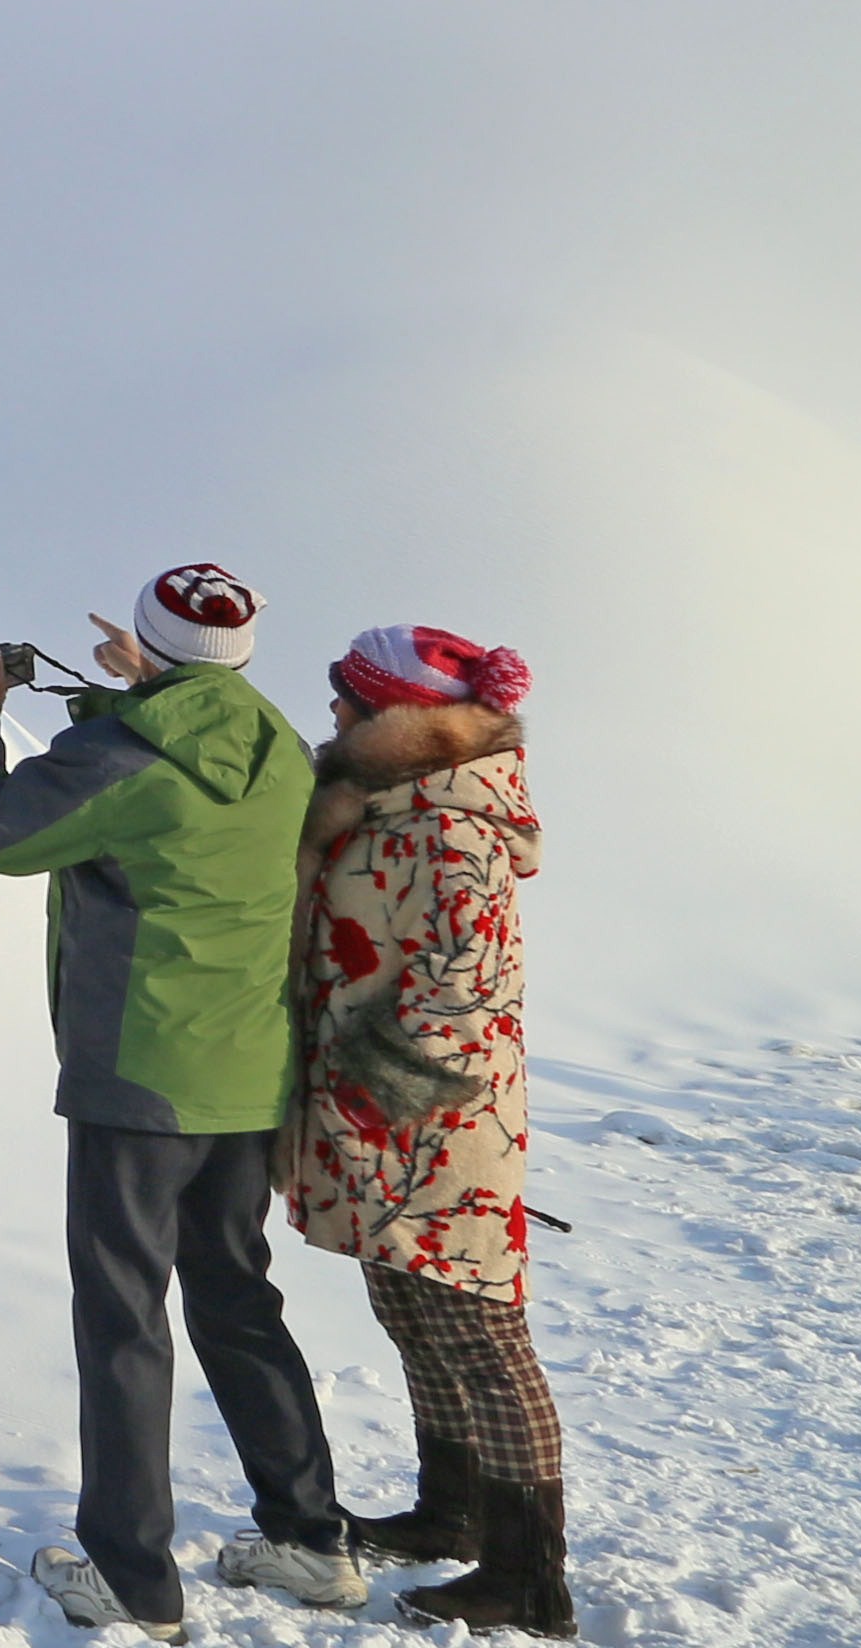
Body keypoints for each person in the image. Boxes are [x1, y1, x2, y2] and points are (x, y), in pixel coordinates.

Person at [0, 563, 366, 1636]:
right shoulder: (270, 747)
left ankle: (132, 1576)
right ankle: (312, 1539)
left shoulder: (117, 753)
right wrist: (142, 688)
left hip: (139, 1075)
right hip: (248, 1070)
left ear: (142, 639)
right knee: (235, 1294)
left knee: (125, 1319)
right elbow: (176, 748)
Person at [286, 625, 572, 1636]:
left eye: (347, 694)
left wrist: (373, 1078)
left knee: (484, 1338)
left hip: (437, 1130)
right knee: (411, 1315)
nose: (332, 709)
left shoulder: (451, 827)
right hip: (390, 1126)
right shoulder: (391, 804)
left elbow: (474, 975)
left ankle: (529, 1575)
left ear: (400, 715)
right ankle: (448, 1511)